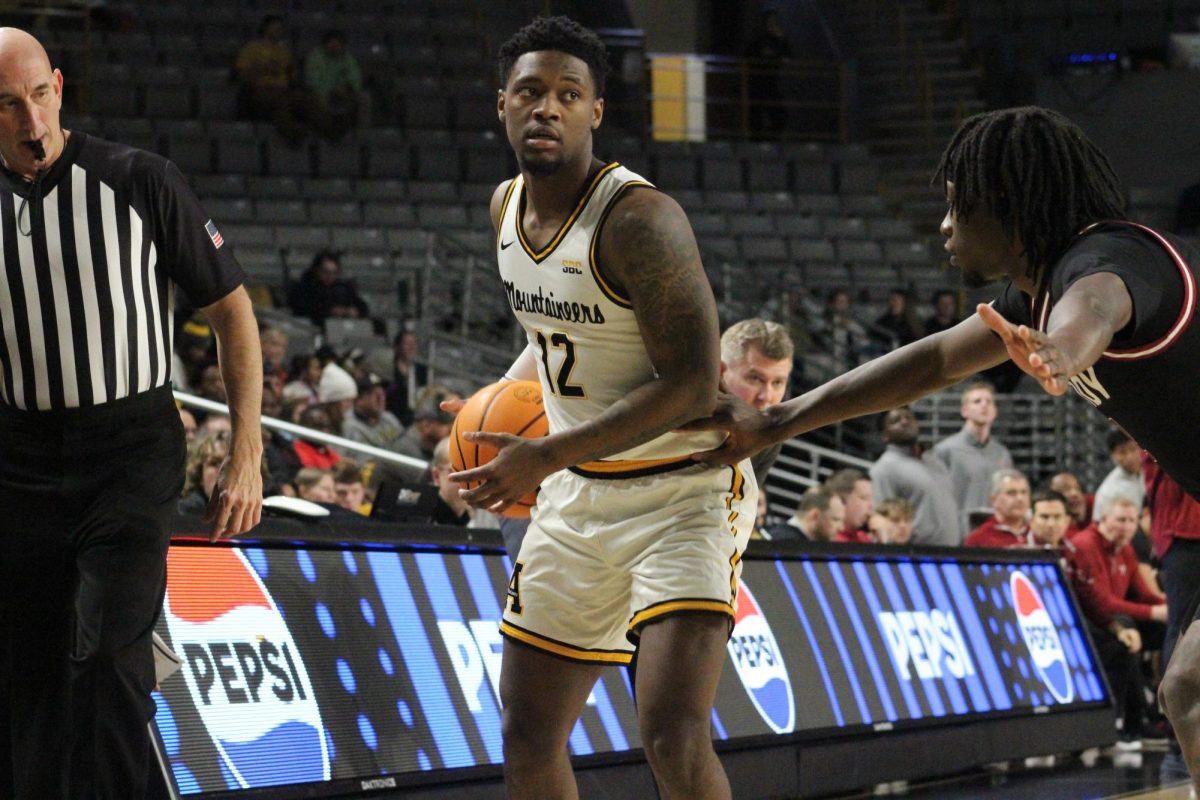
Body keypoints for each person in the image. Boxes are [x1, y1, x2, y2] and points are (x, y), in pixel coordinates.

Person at [684, 106, 1200, 789]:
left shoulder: (1108, 259)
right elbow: (928, 363)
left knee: (1191, 693)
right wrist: (781, 420)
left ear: (1008, 207)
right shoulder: (1031, 296)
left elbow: (1099, 305)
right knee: (1188, 693)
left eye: (958, 207)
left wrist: (1062, 349)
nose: (945, 227)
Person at [448, 18, 757, 799]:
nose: (545, 108)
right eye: (529, 92)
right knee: (526, 729)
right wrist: (486, 408)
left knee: (671, 731)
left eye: (567, 94)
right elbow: (555, 333)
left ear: (596, 111)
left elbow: (692, 383)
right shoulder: (503, 210)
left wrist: (544, 451)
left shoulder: (641, 221)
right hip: (578, 495)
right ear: (501, 106)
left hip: (684, 489)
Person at [0, 28, 263, 799]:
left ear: (59, 83)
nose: (32, 119)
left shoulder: (138, 179)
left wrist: (245, 451)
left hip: (129, 449)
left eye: (40, 94)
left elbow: (233, 313)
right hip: (16, 459)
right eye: (8, 105)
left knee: (112, 659)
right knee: (28, 676)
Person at [1070, 496, 1168, 745]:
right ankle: (1132, 722)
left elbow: (1143, 594)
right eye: (1120, 520)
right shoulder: (1085, 545)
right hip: (1088, 624)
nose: (1126, 526)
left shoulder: (1125, 548)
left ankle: (1164, 710)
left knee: (1172, 628)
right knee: (1126, 629)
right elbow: (1102, 604)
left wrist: (1173, 607)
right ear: (1103, 519)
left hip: (1116, 621)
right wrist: (1154, 613)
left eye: (1132, 521)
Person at [869, 407, 962, 546]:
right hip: (916, 554)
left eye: (909, 417)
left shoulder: (935, 462)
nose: (905, 422)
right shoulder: (884, 468)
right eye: (896, 421)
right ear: (884, 435)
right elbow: (882, 519)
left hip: (951, 553)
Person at [927, 379, 1013, 529]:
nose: (984, 405)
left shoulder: (1002, 454)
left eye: (989, 401)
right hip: (958, 533)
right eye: (977, 401)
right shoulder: (944, 451)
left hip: (994, 532)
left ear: (995, 411)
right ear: (964, 410)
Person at [719, 318, 793, 483]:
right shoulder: (681, 411)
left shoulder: (770, 435)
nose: (766, 396)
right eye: (755, 379)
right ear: (721, 371)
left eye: (778, 382)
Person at [304, 29, 370, 138]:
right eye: (331, 43)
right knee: (320, 98)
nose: (334, 46)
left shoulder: (348, 59)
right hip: (322, 93)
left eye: (338, 44)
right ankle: (325, 132)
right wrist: (332, 89)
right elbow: (312, 81)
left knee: (365, 98)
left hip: (343, 93)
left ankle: (361, 134)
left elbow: (356, 79)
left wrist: (348, 88)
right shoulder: (315, 58)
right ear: (325, 44)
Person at [287, 249, 370, 327]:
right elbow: (305, 308)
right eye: (326, 272)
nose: (330, 276)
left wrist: (354, 311)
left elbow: (361, 305)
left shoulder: (343, 288)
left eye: (334, 273)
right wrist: (331, 311)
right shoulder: (302, 288)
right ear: (316, 270)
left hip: (340, 327)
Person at [964, 469, 1032, 548]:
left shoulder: (1039, 533)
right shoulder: (978, 539)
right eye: (1011, 493)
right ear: (994, 500)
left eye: (1024, 492)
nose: (1020, 498)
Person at [341, 372, 404, 450]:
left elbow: (406, 445)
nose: (381, 399)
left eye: (382, 393)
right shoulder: (350, 426)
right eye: (375, 395)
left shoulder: (389, 418)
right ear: (359, 400)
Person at [1093, 428, 1145, 521]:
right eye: (1122, 452)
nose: (1130, 457)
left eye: (1133, 449)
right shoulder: (1107, 492)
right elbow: (1099, 523)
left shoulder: (1153, 473)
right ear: (1112, 455)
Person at [764, 485, 844, 542]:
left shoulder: (782, 534)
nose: (841, 528)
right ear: (814, 516)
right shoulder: (787, 544)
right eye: (835, 519)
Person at [1050, 470, 1093, 534]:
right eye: (1065, 489)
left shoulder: (1092, 502)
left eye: (1077, 488)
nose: (1074, 493)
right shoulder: (1053, 525)